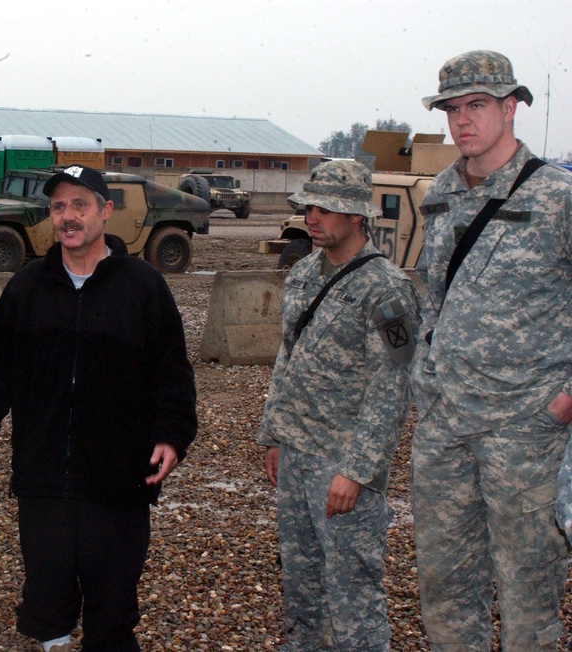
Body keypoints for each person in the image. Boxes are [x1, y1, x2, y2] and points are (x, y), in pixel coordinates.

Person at [0, 165, 198, 652]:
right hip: (43, 477)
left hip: (116, 481)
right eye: (58, 207)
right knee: (47, 602)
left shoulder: (143, 286)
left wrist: (171, 437)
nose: (68, 217)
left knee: (112, 611)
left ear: (106, 212)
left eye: (80, 205)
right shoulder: (28, 285)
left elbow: (172, 375)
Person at [411, 50, 572, 650]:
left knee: (529, 596)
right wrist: (424, 382)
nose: (461, 121)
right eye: (452, 109)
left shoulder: (557, 195)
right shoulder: (442, 193)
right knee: (445, 589)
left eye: (476, 105)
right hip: (446, 428)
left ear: (511, 108)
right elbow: (434, 298)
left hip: (525, 432)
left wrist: (567, 400)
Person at [258, 160, 420, 651]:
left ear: (357, 217)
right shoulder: (304, 272)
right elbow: (288, 355)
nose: (314, 217)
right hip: (296, 456)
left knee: (353, 596)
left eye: (327, 208)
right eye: (310, 206)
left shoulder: (387, 288)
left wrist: (359, 470)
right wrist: (274, 435)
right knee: (301, 587)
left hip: (341, 463)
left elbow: (393, 386)